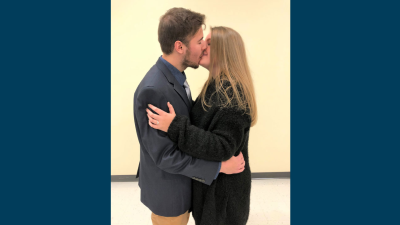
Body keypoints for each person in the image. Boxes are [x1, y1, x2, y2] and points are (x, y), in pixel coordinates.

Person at [133, 8, 246, 225]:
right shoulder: (155, 89)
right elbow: (166, 156)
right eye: (200, 40)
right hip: (170, 193)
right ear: (179, 46)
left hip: (186, 186)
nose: (203, 46)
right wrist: (219, 167)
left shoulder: (176, 76)